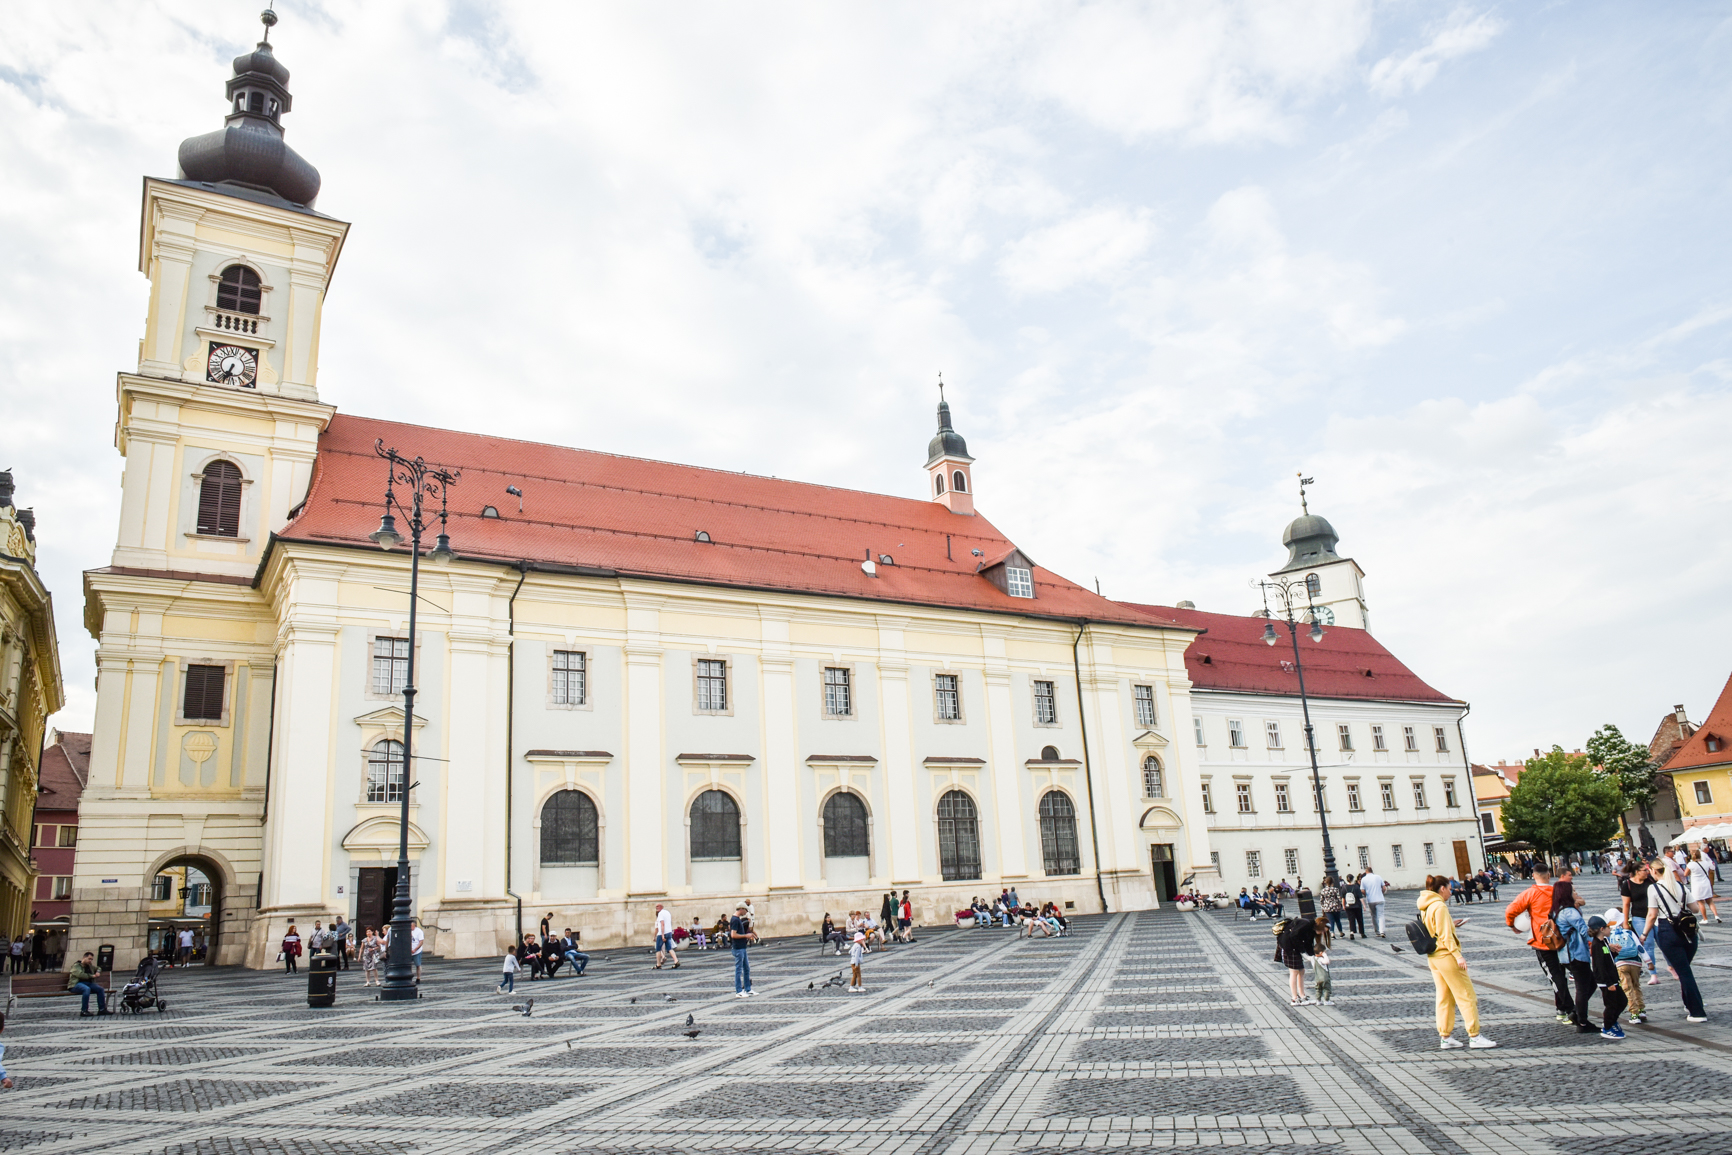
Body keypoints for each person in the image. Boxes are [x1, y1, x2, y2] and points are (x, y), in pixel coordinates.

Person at [1419, 874, 1496, 1050]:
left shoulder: (1426, 905)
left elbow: (1435, 929)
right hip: (1446, 955)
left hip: (1434, 956)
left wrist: (1452, 925)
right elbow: (1445, 936)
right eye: (1450, 888)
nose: (1452, 892)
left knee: (1444, 997)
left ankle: (1445, 1036)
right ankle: (1474, 1035)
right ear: (1442, 889)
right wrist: (1458, 955)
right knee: (1466, 995)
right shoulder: (1439, 906)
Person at [1504, 862, 1573, 1024]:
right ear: (1549, 876)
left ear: (1534, 875)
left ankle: (1569, 1009)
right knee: (1560, 974)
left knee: (1555, 976)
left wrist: (1512, 925)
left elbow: (1510, 911)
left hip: (1542, 939)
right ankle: (1561, 1009)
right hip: (1562, 938)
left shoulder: (1530, 893)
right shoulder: (1559, 892)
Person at [1643, 858, 1707, 1023]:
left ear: (1654, 871)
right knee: (1684, 969)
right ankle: (1689, 1003)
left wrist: (1644, 934)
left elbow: (1652, 915)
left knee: (1684, 972)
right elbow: (1695, 909)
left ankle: (1697, 1011)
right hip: (1688, 931)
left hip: (1668, 930)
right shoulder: (1680, 886)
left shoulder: (1654, 888)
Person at [1552, 879, 1595, 1033]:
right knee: (1583, 988)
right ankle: (1582, 1021)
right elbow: (1584, 930)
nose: (1576, 893)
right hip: (1575, 954)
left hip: (1566, 955)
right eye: (1574, 891)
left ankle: (1577, 1013)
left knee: (1591, 983)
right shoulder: (1569, 911)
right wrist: (1599, 942)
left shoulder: (1557, 910)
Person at [1618, 860, 1661, 984]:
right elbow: (1626, 905)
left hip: (1657, 916)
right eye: (1645, 870)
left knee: (1664, 942)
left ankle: (1671, 967)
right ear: (1637, 872)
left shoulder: (1651, 881)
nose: (1647, 872)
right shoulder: (1627, 885)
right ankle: (1653, 974)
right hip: (1639, 918)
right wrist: (1625, 922)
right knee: (1648, 946)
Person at [1586, 915, 1627, 1039]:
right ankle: (1608, 1027)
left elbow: (1607, 960)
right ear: (1602, 929)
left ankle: (1612, 1021)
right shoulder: (1597, 945)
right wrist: (1609, 983)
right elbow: (1600, 966)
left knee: (1622, 1001)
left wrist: (1613, 953)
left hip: (1612, 979)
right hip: (1606, 981)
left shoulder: (1604, 942)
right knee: (1611, 1004)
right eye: (1609, 927)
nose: (1611, 930)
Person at [1606, 910, 1647, 1025]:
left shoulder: (1609, 935)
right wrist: (1648, 961)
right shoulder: (1629, 933)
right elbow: (1639, 947)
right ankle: (1641, 1009)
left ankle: (1634, 1014)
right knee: (1636, 986)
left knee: (1627, 988)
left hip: (1620, 963)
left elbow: (1608, 953)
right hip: (1635, 963)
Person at [1275, 913, 1316, 1006]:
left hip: (1293, 947)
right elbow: (1294, 936)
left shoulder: (1311, 929)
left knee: (1301, 971)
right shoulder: (1306, 925)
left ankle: (1302, 995)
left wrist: (1312, 956)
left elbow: (1308, 944)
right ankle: (1294, 998)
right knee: (1294, 972)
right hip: (1288, 946)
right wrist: (1303, 952)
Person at [67, 952, 110, 1016]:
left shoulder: (89, 966)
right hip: (76, 984)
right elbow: (80, 975)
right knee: (87, 989)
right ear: (84, 958)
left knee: (100, 989)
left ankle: (102, 1009)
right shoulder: (76, 966)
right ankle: (84, 1010)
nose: (90, 961)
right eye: (89, 959)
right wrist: (92, 976)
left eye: (91, 959)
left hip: (88, 983)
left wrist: (98, 972)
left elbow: (98, 968)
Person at [1686, 849, 1721, 924]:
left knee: (1701, 902)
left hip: (1697, 884)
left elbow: (1685, 874)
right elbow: (1710, 870)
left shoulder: (1691, 864)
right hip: (1706, 883)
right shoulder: (1705, 863)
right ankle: (1716, 915)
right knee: (1710, 901)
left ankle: (1705, 919)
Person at [729, 903, 756, 997]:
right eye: (745, 910)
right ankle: (739, 991)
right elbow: (733, 935)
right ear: (741, 909)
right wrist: (746, 935)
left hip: (742, 947)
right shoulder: (735, 920)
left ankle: (747, 989)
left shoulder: (738, 919)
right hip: (738, 948)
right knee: (739, 969)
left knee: (746, 968)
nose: (746, 912)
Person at [1311, 919, 1335, 1007]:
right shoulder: (1321, 959)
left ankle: (1318, 1000)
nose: (1323, 932)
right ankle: (1326, 1000)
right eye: (1324, 930)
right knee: (1326, 989)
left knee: (1318, 989)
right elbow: (1327, 962)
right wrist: (1325, 955)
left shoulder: (1314, 958)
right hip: (1324, 977)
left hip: (1317, 978)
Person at [1360, 869, 1387, 938]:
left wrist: (1366, 895)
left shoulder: (1364, 879)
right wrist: (1382, 893)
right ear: (1372, 871)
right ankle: (1382, 931)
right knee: (1381, 915)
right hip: (1380, 899)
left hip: (1370, 900)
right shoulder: (1378, 877)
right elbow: (1384, 887)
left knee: (1374, 916)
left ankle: (1377, 931)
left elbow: (1362, 890)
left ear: (1366, 872)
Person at [653, 903, 680, 970]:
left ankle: (658, 964)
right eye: (656, 906)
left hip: (662, 933)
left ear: (661, 907)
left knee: (658, 949)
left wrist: (662, 935)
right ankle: (676, 961)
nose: (656, 908)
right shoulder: (667, 912)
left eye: (657, 906)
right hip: (669, 932)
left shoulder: (660, 914)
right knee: (669, 948)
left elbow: (662, 924)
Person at [1342, 874, 1365, 940]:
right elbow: (1360, 897)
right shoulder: (1356, 887)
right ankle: (1362, 933)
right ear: (1353, 879)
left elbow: (1343, 898)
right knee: (1359, 919)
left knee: (1351, 920)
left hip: (1348, 906)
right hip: (1357, 905)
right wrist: (1364, 905)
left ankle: (1352, 932)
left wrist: (1343, 905)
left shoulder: (1344, 887)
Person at [409, 919, 425, 984]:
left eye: (411, 926)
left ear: (414, 925)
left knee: (418, 965)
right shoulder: (407, 930)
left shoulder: (419, 931)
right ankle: (409, 977)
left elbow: (421, 942)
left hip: (417, 951)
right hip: (409, 951)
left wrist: (415, 949)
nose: (411, 927)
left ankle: (418, 978)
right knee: (408, 965)